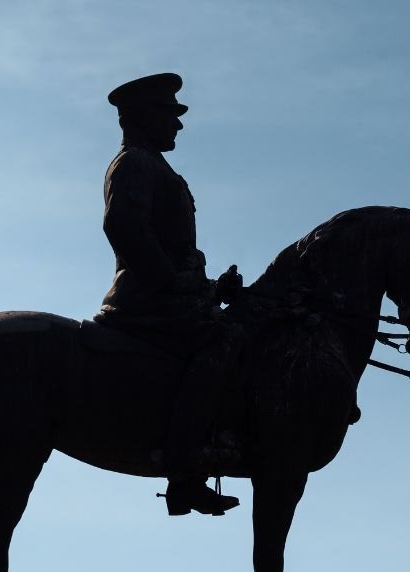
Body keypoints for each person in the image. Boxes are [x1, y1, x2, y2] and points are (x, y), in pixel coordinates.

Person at [96, 73, 244, 516]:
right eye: (169, 115)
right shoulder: (135, 163)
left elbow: (170, 249)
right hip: (146, 301)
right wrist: (171, 283)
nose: (178, 126)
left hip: (167, 295)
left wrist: (212, 288)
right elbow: (123, 226)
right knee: (223, 341)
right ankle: (185, 471)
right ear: (142, 117)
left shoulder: (152, 164)